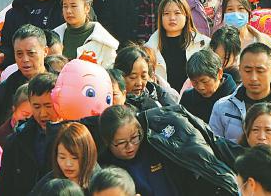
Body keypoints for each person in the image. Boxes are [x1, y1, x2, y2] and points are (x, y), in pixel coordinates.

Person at [98, 104, 241, 196]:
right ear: (107, 142)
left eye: (135, 137)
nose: (130, 146)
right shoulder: (107, 169)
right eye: (121, 143)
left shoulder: (157, 144)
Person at [209, 43, 271, 143]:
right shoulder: (222, 107)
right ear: (239, 70)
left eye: (260, 71)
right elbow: (214, 147)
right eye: (248, 71)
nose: (253, 78)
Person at [0, 73, 62, 195]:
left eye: (48, 106)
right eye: (36, 107)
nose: (43, 113)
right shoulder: (16, 141)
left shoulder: (73, 137)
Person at [145, 0, 210, 92]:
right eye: (166, 13)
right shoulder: (149, 49)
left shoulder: (204, 44)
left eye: (177, 13)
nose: (172, 18)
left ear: (186, 16)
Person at [0, 25, 48, 128]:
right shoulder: (2, 91)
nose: (25, 59)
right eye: (19, 54)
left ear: (45, 51)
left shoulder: (60, 84)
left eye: (31, 53)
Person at [54, 0, 118, 67]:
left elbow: (110, 70)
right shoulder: (55, 36)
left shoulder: (103, 40)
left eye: (73, 6)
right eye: (65, 6)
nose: (68, 11)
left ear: (87, 8)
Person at [31, 122, 100, 194]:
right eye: (62, 157)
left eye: (74, 158)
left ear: (88, 155)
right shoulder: (49, 183)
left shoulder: (100, 184)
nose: (68, 164)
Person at [180, 49, 237, 123]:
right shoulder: (188, 98)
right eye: (194, 82)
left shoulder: (236, 98)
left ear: (219, 73)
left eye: (204, 81)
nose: (200, 87)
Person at [113, 46, 178, 112]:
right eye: (133, 77)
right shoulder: (115, 103)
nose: (139, 83)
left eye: (143, 76)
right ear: (119, 76)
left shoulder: (159, 93)